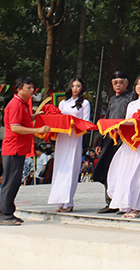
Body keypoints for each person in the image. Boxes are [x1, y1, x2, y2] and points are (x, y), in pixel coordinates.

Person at [0, 76, 50, 225]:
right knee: (10, 182)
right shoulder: (15, 104)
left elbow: (23, 120)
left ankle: (9, 213)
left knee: (15, 183)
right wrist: (37, 129)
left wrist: (35, 116)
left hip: (19, 149)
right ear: (19, 89)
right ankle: (4, 215)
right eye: (29, 88)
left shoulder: (24, 104)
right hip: (13, 148)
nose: (32, 90)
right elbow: (15, 127)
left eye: (33, 87)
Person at [106, 74, 140, 218]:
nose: (139, 87)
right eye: (137, 85)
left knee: (137, 172)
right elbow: (127, 121)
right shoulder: (131, 104)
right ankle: (125, 204)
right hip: (129, 142)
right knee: (124, 171)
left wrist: (139, 125)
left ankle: (136, 206)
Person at [48, 77, 90, 212]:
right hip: (63, 137)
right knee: (60, 168)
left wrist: (74, 125)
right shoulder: (63, 103)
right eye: (73, 86)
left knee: (72, 167)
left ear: (82, 88)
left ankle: (69, 202)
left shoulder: (85, 103)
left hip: (75, 137)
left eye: (78, 86)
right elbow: (58, 119)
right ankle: (59, 200)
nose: (75, 89)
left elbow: (86, 123)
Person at [93, 70, 132, 213]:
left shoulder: (131, 98)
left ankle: (122, 202)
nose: (118, 85)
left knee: (121, 171)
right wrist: (99, 142)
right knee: (106, 169)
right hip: (109, 139)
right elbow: (106, 120)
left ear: (127, 83)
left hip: (123, 140)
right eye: (115, 82)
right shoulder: (112, 99)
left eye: (121, 82)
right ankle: (110, 201)